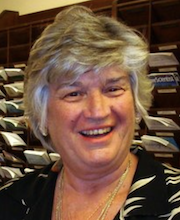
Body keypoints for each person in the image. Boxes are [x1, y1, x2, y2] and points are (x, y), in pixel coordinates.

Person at [0, 5, 180, 220]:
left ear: (136, 103)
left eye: (113, 89)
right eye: (74, 93)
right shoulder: (9, 202)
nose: (98, 111)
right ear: (43, 114)